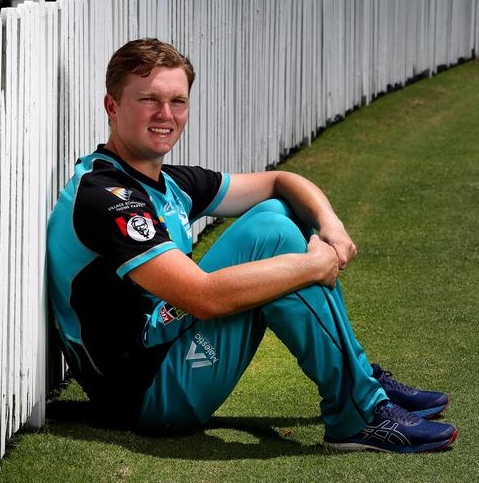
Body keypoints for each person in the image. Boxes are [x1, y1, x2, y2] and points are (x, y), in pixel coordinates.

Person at [47, 38, 458, 453]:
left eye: (178, 101)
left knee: (278, 210)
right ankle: (359, 412)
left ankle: (361, 380)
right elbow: (202, 298)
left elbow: (279, 181)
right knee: (272, 233)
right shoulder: (106, 195)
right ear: (112, 107)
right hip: (149, 394)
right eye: (148, 99)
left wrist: (330, 225)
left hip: (171, 345)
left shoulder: (167, 183)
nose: (165, 114)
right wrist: (313, 266)